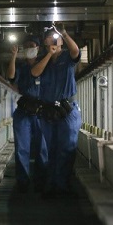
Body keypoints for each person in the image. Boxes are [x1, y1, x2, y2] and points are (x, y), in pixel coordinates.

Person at [31, 23, 82, 197]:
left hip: (67, 110)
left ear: (61, 40)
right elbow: (35, 73)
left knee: (67, 147)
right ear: (45, 42)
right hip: (48, 110)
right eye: (49, 37)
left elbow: (76, 52)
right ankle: (51, 184)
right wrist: (49, 55)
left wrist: (65, 34)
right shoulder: (42, 59)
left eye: (56, 36)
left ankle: (63, 185)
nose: (53, 39)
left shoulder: (67, 57)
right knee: (50, 148)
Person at [7, 35, 47, 192]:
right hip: (24, 111)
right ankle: (23, 181)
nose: (30, 48)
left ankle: (41, 179)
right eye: (27, 46)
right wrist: (13, 56)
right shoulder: (21, 68)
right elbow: (11, 76)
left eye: (32, 45)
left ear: (38, 48)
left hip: (41, 112)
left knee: (42, 147)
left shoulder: (45, 65)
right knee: (22, 147)